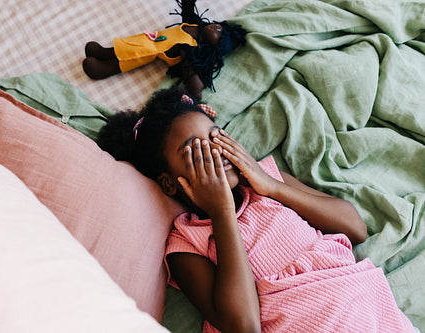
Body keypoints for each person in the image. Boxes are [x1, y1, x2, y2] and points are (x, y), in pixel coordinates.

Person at [96, 88, 416, 333]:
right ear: (169, 184)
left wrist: (273, 187)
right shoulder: (187, 243)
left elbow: (355, 228)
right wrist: (221, 213)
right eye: (194, 152)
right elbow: (242, 325)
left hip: (362, 306)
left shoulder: (267, 180)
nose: (214, 152)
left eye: (215, 137)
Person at [82, 0, 247, 99]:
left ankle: (104, 68)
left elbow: (191, 71)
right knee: (131, 43)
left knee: (135, 54)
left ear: (215, 48)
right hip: (152, 37)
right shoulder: (195, 25)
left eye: (220, 34)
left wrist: (195, 92)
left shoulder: (194, 49)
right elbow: (188, 12)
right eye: (220, 26)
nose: (216, 28)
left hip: (154, 50)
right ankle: (105, 53)